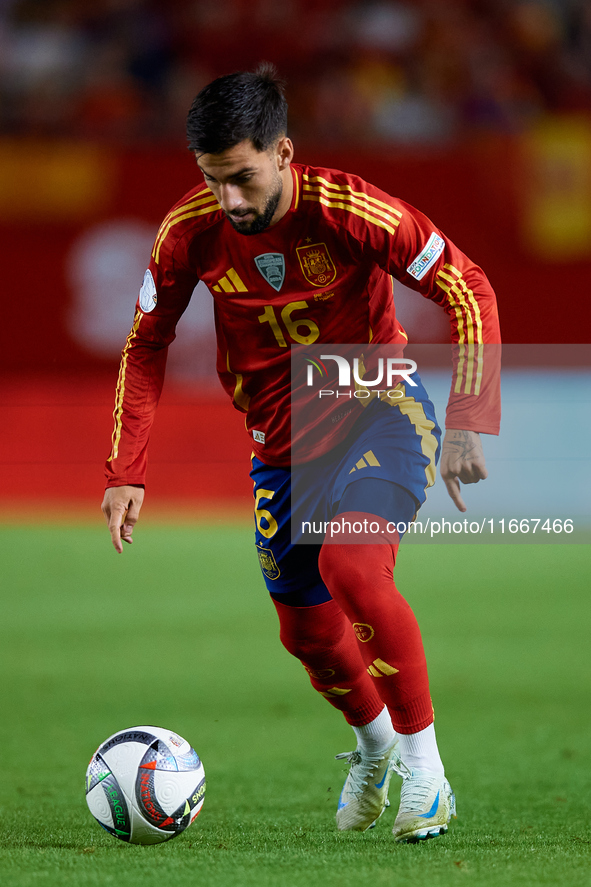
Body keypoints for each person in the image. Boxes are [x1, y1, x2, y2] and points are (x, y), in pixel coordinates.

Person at [101, 64, 501, 843]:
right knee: (306, 634)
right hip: (278, 448)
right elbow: (145, 343)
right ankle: (376, 745)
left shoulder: (350, 209)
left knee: (350, 569)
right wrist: (126, 468)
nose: (231, 200)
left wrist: (465, 416)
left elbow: (465, 284)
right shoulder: (188, 231)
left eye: (244, 178)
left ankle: (427, 771)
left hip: (375, 412)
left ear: (283, 151)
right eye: (214, 181)